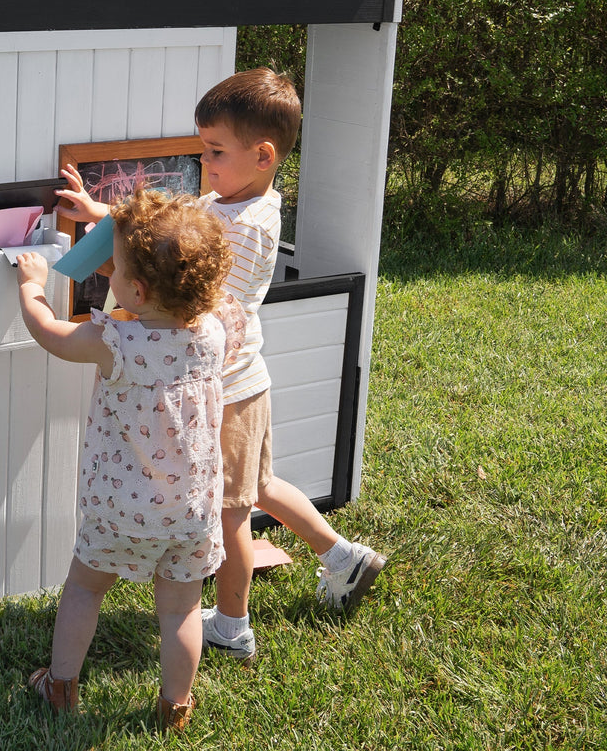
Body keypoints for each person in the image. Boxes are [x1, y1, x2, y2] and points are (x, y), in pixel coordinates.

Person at [56, 67, 387, 668]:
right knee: (257, 488)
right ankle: (342, 557)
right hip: (244, 383)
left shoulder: (245, 229)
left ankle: (232, 627)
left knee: (229, 514)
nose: (203, 163)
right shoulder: (230, 200)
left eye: (214, 152)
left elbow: (182, 297)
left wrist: (120, 274)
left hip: (223, 392)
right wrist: (101, 211)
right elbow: (170, 230)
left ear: (262, 156)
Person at [16, 188, 242, 732]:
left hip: (120, 509)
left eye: (113, 267)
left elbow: (50, 334)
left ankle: (60, 686)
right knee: (181, 609)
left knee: (86, 588)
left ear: (136, 290)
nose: (108, 272)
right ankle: (175, 708)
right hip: (190, 511)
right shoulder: (215, 330)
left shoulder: (114, 341)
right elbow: (177, 308)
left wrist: (31, 287)